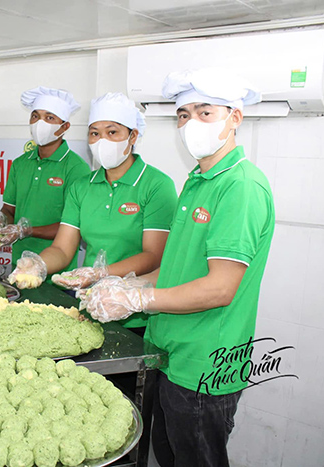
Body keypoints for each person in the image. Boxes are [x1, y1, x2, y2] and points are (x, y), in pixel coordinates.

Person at [80, 69, 275, 467]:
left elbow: (220, 288)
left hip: (205, 364)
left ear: (234, 117)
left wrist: (139, 299)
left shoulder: (240, 187)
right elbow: (175, 270)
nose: (191, 123)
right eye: (183, 114)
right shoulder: (198, 180)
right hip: (171, 353)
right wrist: (119, 285)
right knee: (166, 456)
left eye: (205, 112)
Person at [8, 92, 177, 331]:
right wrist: (38, 265)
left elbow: (154, 255)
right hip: (89, 306)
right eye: (94, 133)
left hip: (137, 313)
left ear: (133, 136)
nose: (102, 141)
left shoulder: (156, 185)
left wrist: (101, 273)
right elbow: (62, 249)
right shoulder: (82, 187)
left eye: (112, 132)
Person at [0, 86, 91, 279]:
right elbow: (9, 209)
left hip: (57, 271)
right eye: (35, 116)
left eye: (49, 118)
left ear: (64, 127)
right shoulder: (20, 164)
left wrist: (25, 231)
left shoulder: (76, 168)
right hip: (19, 265)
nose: (40, 123)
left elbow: (75, 228)